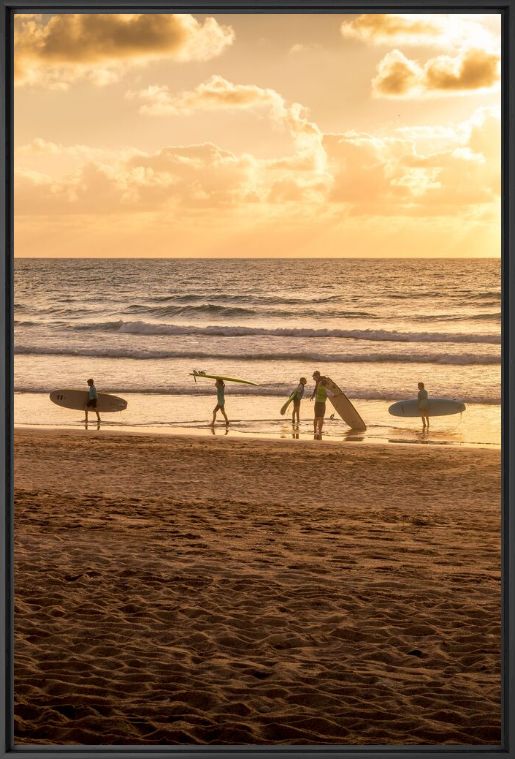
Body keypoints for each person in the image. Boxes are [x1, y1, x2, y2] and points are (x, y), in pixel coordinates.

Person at [311, 370, 328, 438]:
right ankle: (319, 431)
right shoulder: (320, 382)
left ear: (317, 375)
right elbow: (328, 393)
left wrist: (313, 396)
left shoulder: (320, 381)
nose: (313, 378)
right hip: (322, 403)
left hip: (317, 402)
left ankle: (315, 430)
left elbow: (316, 389)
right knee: (321, 417)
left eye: (314, 376)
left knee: (316, 417)